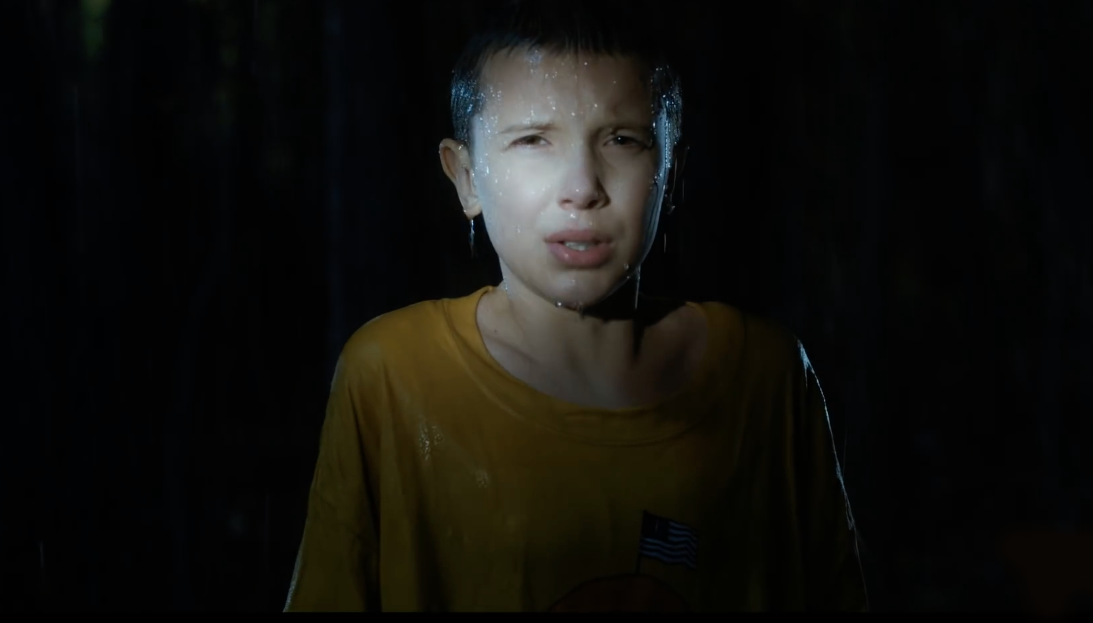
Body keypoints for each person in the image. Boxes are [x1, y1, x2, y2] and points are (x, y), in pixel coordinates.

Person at [284, 0, 867, 612]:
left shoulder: (764, 376)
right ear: (466, 179)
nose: (583, 188)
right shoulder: (395, 377)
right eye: (534, 140)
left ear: (672, 173)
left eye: (621, 139)